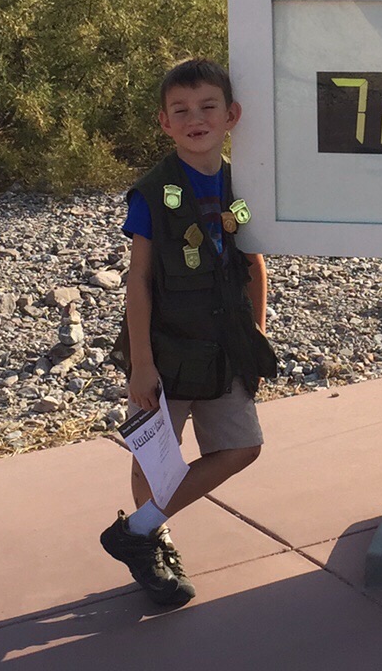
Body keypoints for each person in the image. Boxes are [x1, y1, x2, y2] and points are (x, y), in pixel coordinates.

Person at [100, 58, 277, 608]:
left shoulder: (243, 183)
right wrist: (142, 364)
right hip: (167, 348)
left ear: (232, 115)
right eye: (181, 110)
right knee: (156, 457)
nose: (195, 119)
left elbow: (253, 261)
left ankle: (139, 528)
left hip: (226, 347)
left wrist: (256, 335)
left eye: (207, 107)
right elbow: (139, 280)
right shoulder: (153, 193)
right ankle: (155, 546)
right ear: (164, 122)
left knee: (242, 446)